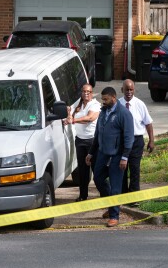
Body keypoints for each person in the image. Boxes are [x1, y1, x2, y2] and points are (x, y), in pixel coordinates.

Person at [85, 86, 134, 227]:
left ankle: (114, 215)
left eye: (106, 99)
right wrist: (91, 152)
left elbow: (128, 137)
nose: (103, 102)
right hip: (102, 153)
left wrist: (125, 157)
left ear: (113, 98)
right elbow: (97, 134)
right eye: (102, 99)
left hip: (117, 155)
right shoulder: (103, 112)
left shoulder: (123, 114)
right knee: (98, 178)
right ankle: (110, 204)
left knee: (115, 186)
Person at [119, 79, 154, 206]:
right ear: (122, 90)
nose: (129, 92)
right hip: (122, 142)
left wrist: (151, 140)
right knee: (122, 169)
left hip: (136, 141)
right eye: (126, 89)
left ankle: (134, 198)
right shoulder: (117, 105)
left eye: (131, 89)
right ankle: (123, 196)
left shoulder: (140, 104)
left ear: (134, 90)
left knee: (134, 169)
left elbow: (148, 123)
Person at [65, 84, 100, 201]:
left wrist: (73, 120)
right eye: (84, 91)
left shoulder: (95, 104)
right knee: (82, 171)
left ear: (92, 93)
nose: (86, 93)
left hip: (92, 141)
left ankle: (104, 194)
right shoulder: (79, 103)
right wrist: (69, 114)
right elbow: (69, 109)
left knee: (96, 170)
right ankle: (83, 195)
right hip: (80, 140)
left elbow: (89, 118)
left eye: (88, 92)